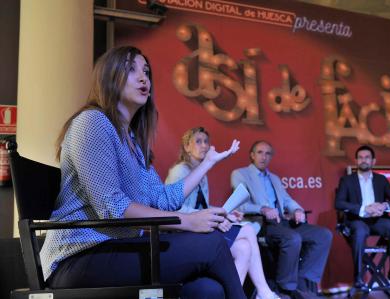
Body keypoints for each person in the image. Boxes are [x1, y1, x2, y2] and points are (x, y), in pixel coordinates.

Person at [39, 46, 246, 299]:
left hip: (117, 249)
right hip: (79, 256)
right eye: (131, 69)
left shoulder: (132, 142)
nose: (143, 78)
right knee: (212, 244)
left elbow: (162, 199)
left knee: (207, 290)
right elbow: (110, 205)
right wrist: (189, 222)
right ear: (108, 76)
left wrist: (207, 164)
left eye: (146, 71)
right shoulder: (92, 122)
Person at [166, 127, 281, 299]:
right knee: (248, 230)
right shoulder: (180, 171)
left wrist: (225, 213)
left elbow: (200, 207)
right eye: (198, 141)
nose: (204, 145)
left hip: (200, 228)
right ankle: (264, 292)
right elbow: (172, 208)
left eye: (206, 141)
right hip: (183, 232)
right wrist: (215, 214)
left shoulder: (201, 173)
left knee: (244, 248)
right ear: (186, 146)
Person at [231, 140, 332, 299]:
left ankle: (302, 280)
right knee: (292, 238)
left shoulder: (274, 178)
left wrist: (297, 209)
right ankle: (285, 289)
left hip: (281, 222)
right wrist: (262, 209)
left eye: (268, 153)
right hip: (261, 224)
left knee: (323, 235)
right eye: (259, 152)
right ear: (252, 155)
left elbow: (286, 200)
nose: (264, 157)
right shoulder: (240, 174)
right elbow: (240, 205)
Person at [335, 145, 390, 290]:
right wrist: (363, 209)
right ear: (356, 160)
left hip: (378, 221)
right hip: (357, 219)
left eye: (367, 157)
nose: (363, 160)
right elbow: (339, 203)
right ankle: (358, 277)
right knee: (359, 232)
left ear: (373, 161)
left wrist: (383, 206)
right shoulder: (347, 180)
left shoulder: (381, 180)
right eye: (360, 157)